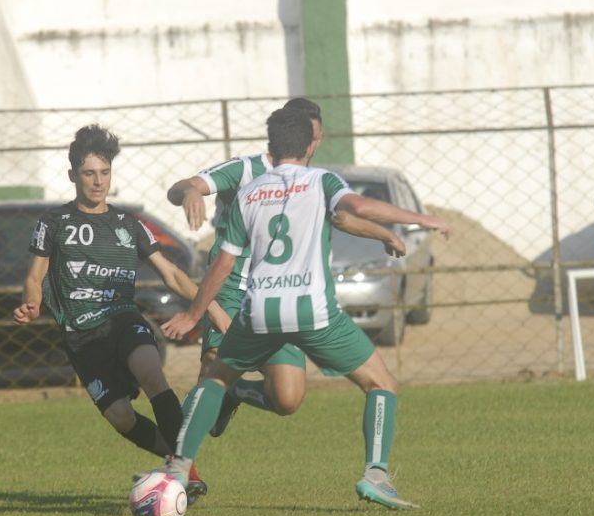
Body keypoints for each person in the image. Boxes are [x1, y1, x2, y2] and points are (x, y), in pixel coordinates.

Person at [159, 107, 453, 511]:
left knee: (218, 377)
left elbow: (224, 263)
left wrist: (193, 315)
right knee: (380, 383)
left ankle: (177, 470)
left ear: (271, 144)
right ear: (311, 143)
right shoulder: (321, 181)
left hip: (258, 310)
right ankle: (376, 476)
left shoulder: (249, 193)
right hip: (312, 312)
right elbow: (360, 208)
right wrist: (423, 218)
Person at [166, 97, 420, 437]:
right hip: (231, 289)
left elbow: (342, 217)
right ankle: (179, 468)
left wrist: (381, 233)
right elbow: (183, 187)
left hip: (283, 295)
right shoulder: (245, 169)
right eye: (312, 136)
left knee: (287, 399)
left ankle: (236, 393)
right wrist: (190, 193)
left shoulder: (313, 181)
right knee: (215, 363)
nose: (316, 144)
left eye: (318, 137)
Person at [12, 124, 231, 502]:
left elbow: (173, 274)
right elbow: (35, 276)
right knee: (122, 418)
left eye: (104, 173)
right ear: (72, 176)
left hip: (123, 319)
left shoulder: (128, 224)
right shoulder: (54, 223)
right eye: (89, 173)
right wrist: (32, 303)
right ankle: (172, 460)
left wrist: (212, 309)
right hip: (81, 336)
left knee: (152, 374)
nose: (98, 182)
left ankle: (186, 471)